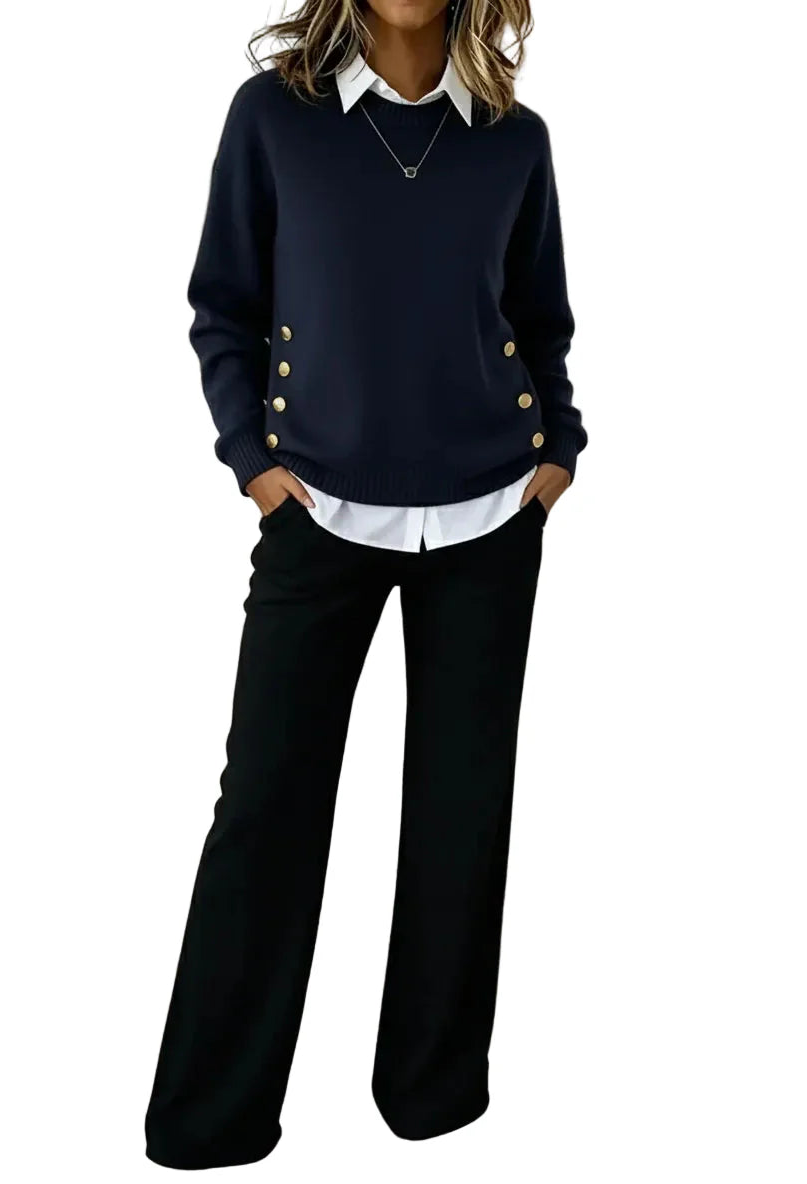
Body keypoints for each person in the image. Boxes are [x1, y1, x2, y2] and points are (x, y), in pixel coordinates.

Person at [145, 0, 587, 1168]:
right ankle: (210, 1119)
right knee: (267, 807)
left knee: (461, 812)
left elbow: (539, 319)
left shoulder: (514, 138)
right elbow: (224, 309)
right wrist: (255, 465)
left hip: (491, 511)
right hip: (318, 510)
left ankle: (431, 1099)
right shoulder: (273, 119)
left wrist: (556, 454)